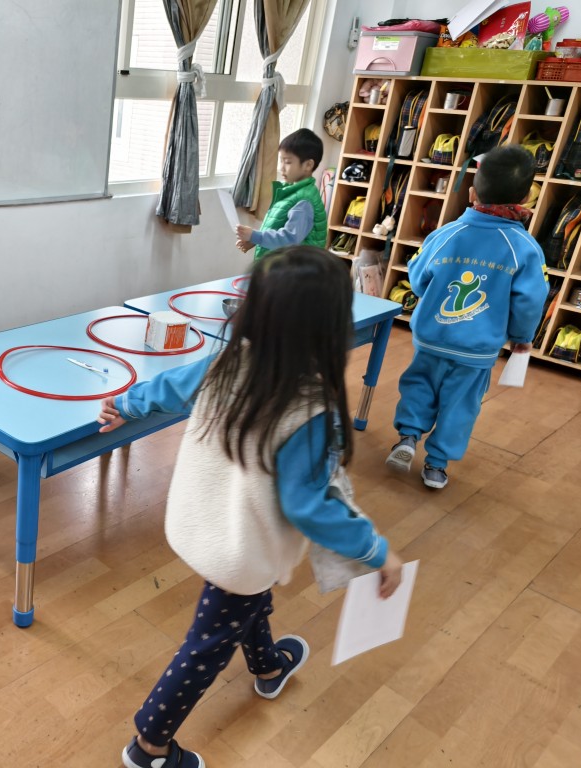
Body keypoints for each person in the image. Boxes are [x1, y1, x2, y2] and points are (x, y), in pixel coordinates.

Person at [98, 245, 403, 768]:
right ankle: (150, 745)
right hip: (237, 547)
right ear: (330, 330)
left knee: (247, 601)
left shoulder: (230, 361)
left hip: (199, 519)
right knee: (208, 645)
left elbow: (171, 388)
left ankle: (268, 667)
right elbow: (311, 508)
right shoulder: (310, 409)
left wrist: (126, 404)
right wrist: (377, 552)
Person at [385, 145, 548, 490]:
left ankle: (408, 437)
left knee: (419, 385)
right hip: (476, 351)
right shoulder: (525, 249)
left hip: (431, 338)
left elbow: (417, 277)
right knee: (460, 405)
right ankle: (436, 466)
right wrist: (521, 338)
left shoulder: (446, 233)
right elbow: (530, 301)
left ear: (472, 193)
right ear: (525, 199)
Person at [235, 128, 328, 261]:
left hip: (295, 269)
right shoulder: (292, 192)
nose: (281, 168)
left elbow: (289, 239)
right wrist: (256, 240)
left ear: (308, 165)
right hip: (285, 265)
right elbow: (278, 227)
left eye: (288, 162)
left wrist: (255, 236)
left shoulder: (304, 202)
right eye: (281, 161)